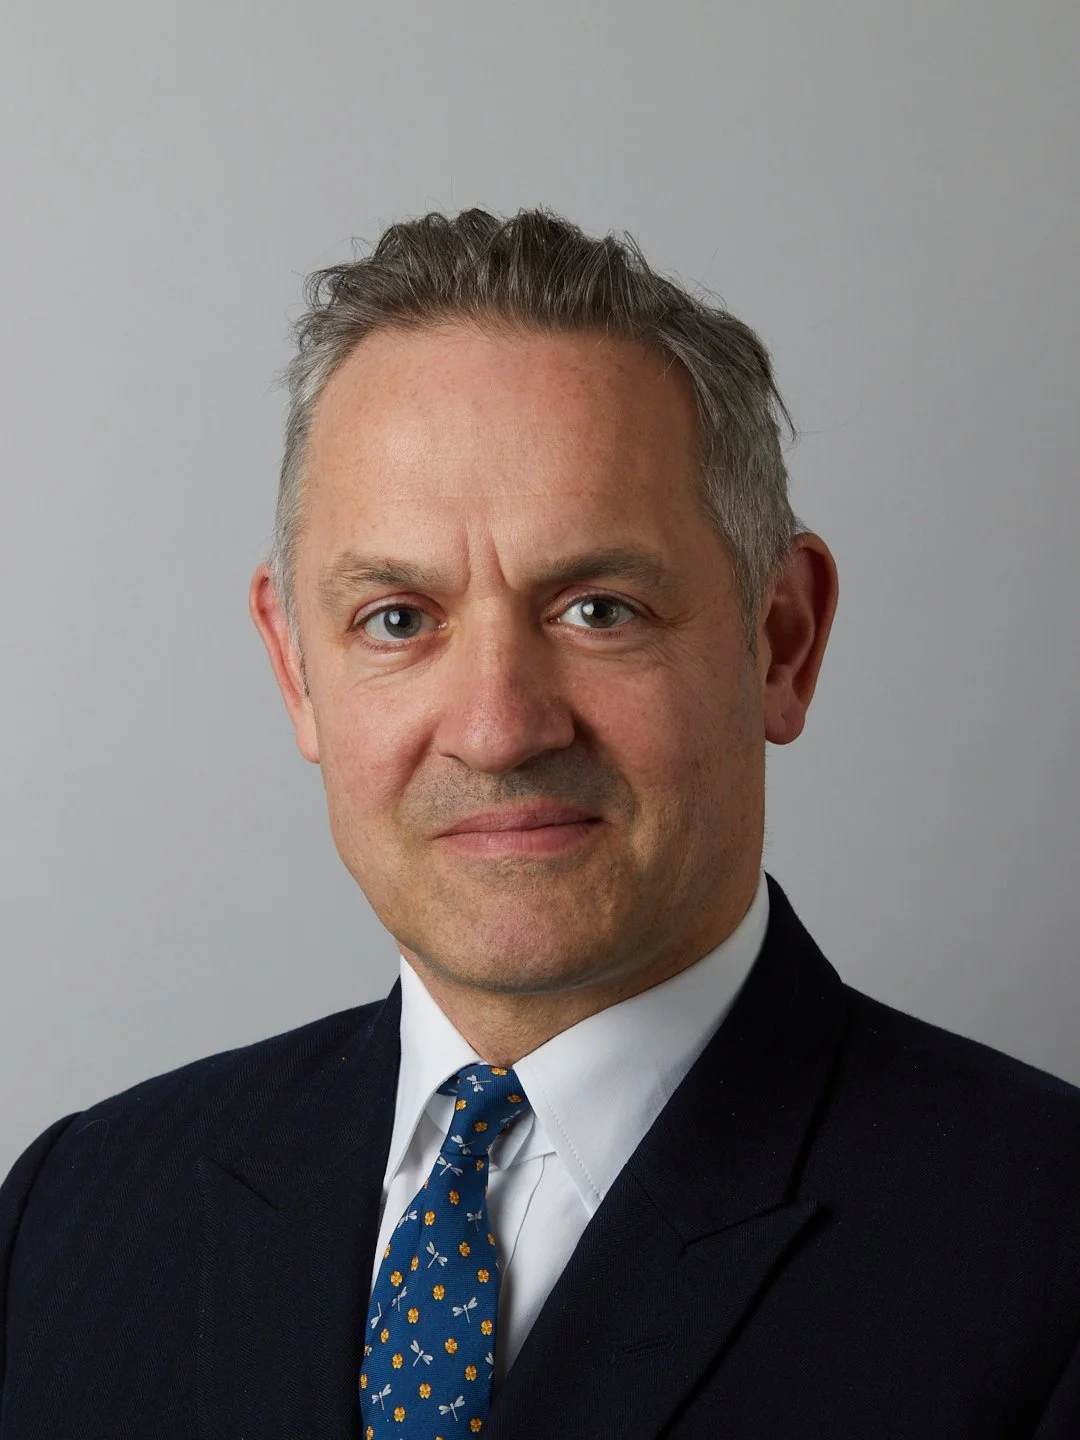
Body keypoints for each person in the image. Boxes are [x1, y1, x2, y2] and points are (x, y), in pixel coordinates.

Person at [1, 207, 1078, 1440]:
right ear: (296, 668)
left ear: (780, 640)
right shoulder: (68, 1218)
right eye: (398, 619)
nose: (500, 727)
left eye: (598, 609)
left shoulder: (1045, 1257)